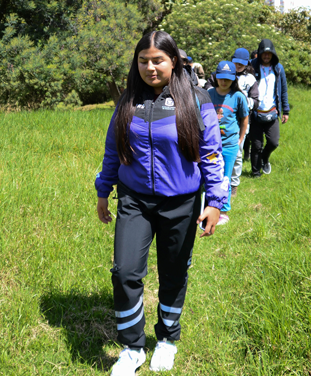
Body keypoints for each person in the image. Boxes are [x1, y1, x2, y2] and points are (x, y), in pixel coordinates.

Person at [95, 31, 227, 375]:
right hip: (134, 200)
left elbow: (211, 153)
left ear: (173, 62)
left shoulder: (196, 100)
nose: (150, 68)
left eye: (158, 61)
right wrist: (102, 189)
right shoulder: (128, 101)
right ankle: (133, 347)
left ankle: (167, 339)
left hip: (181, 202)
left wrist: (215, 201)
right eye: (143, 61)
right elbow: (113, 149)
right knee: (124, 272)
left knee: (172, 272)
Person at [206, 60, 249, 224]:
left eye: (228, 79)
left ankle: (223, 210)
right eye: (221, 78)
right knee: (210, 174)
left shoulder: (238, 96)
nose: (224, 82)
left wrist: (240, 139)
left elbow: (244, 119)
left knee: (225, 177)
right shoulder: (209, 94)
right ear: (216, 77)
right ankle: (209, 204)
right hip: (210, 144)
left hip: (230, 145)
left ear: (234, 79)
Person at [249, 39, 290, 177]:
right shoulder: (252, 66)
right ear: (259, 53)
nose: (266, 56)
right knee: (256, 145)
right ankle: (255, 173)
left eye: (269, 53)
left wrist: (286, 110)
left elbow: (283, 90)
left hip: (272, 111)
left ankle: (265, 158)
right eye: (264, 53)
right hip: (255, 112)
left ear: (273, 54)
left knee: (273, 142)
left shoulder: (279, 68)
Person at [229, 48, 258, 196]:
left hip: (242, 121)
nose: (238, 65)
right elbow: (210, 88)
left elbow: (256, 100)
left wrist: (242, 101)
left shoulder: (250, 79)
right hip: (224, 119)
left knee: (237, 152)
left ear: (247, 63)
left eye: (242, 63)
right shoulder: (224, 73)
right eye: (236, 62)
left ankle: (233, 184)